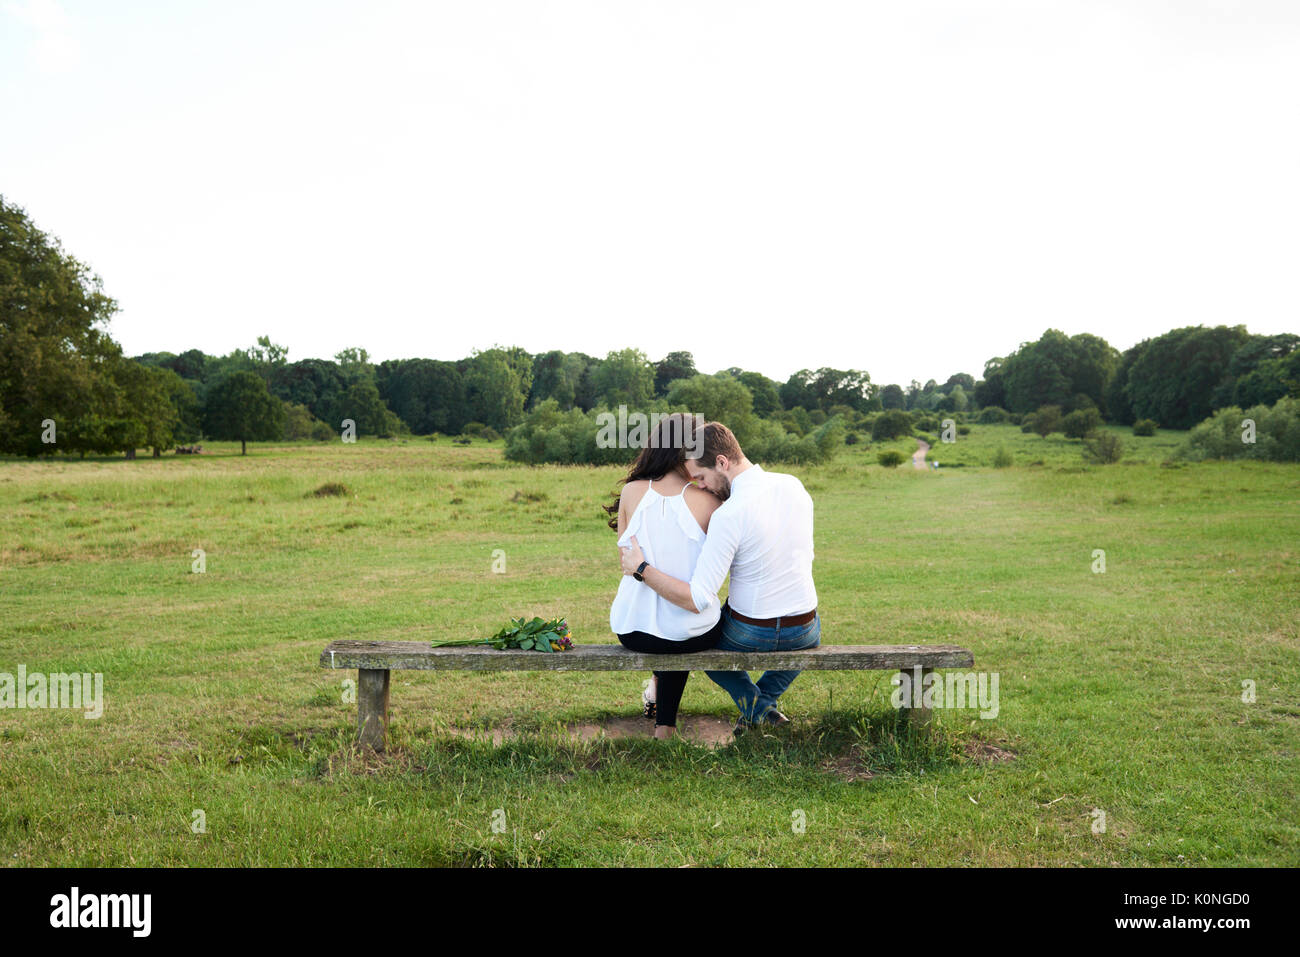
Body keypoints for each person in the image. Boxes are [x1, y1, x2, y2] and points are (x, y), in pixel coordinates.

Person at [619, 421, 818, 734]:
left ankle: (759, 710)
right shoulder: (794, 485)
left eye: (700, 476)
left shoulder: (729, 513)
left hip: (752, 633)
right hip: (806, 629)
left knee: (701, 641)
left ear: (722, 463)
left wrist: (642, 568)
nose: (701, 486)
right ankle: (762, 709)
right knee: (794, 641)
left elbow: (697, 598)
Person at [607, 413, 724, 739]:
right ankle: (666, 726)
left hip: (633, 630)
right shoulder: (711, 500)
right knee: (685, 624)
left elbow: (625, 561)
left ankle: (660, 703)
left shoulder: (631, 492)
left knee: (666, 624)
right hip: (694, 633)